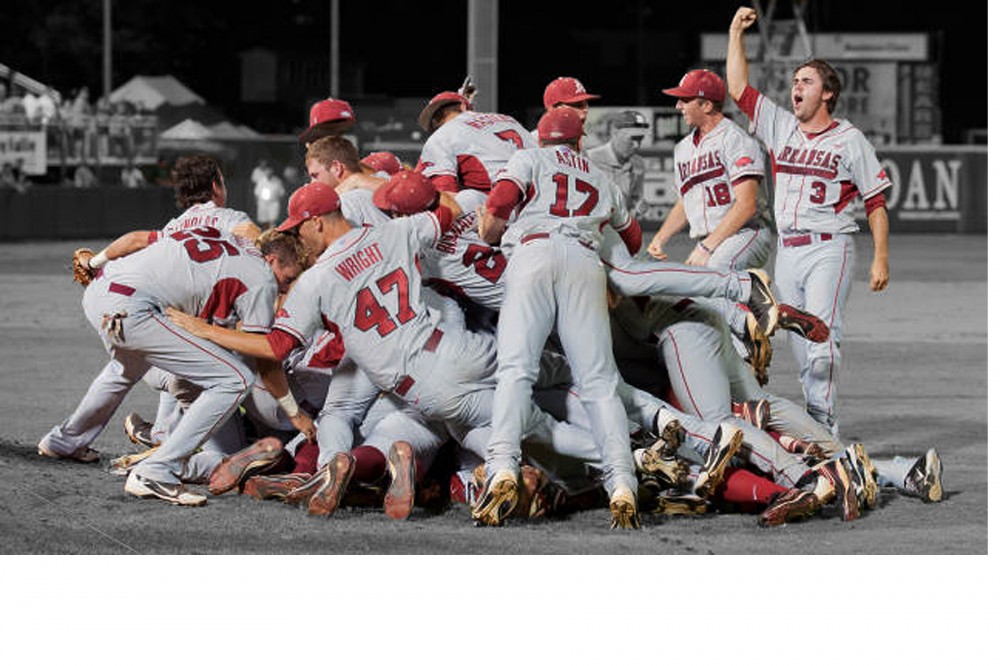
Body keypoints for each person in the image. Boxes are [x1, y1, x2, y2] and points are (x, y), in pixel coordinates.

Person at [37, 226, 312, 507]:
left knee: (125, 368)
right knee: (236, 379)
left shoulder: (220, 235)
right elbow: (263, 357)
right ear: (271, 260)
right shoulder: (262, 278)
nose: (285, 287)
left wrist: (94, 263)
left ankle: (64, 440)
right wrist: (294, 412)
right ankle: (157, 470)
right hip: (134, 309)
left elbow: (135, 239)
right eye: (288, 278)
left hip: (100, 290)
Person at [474, 107, 644, 529]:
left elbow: (498, 206)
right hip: (585, 263)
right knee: (600, 383)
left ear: (541, 136)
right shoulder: (598, 174)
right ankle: (621, 481)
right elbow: (633, 238)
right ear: (579, 140)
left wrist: (488, 229)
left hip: (533, 253)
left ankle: (501, 468)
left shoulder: (528, 157)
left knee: (516, 370)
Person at [728, 6, 891, 435]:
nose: (795, 86)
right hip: (789, 253)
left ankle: (825, 428)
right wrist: (735, 35)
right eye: (795, 81)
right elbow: (739, 87)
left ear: (827, 94)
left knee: (822, 337)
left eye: (806, 81)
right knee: (799, 345)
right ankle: (820, 426)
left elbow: (875, 200)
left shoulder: (849, 139)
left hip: (828, 246)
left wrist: (881, 257)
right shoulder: (782, 127)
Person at [649, 69, 777, 381]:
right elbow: (686, 201)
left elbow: (746, 204)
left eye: (684, 100)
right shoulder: (683, 149)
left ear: (707, 105)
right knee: (701, 302)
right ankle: (747, 370)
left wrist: (707, 246)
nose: (678, 107)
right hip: (712, 239)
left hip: (746, 233)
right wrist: (661, 238)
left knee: (710, 278)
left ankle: (755, 313)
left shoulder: (736, 140)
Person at [415, 90, 535, 192]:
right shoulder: (508, 119)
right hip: (544, 193)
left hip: (505, 204)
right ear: (463, 107)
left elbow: (445, 192)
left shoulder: (441, 135)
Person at [587, 109, 650, 222]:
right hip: (591, 232)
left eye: (640, 139)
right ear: (614, 133)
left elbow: (634, 204)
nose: (637, 145)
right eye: (632, 138)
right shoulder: (590, 159)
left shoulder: (638, 164)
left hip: (618, 233)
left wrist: (638, 209)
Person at [253, 163, 286, 229]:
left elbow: (282, 193)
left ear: (272, 171)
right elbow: (256, 193)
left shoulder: (277, 181)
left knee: (272, 220)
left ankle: (271, 234)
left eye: (270, 170)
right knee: (264, 221)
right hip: (263, 203)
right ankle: (265, 234)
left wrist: (279, 202)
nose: (268, 172)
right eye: (267, 171)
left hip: (274, 203)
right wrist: (257, 203)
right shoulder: (261, 181)